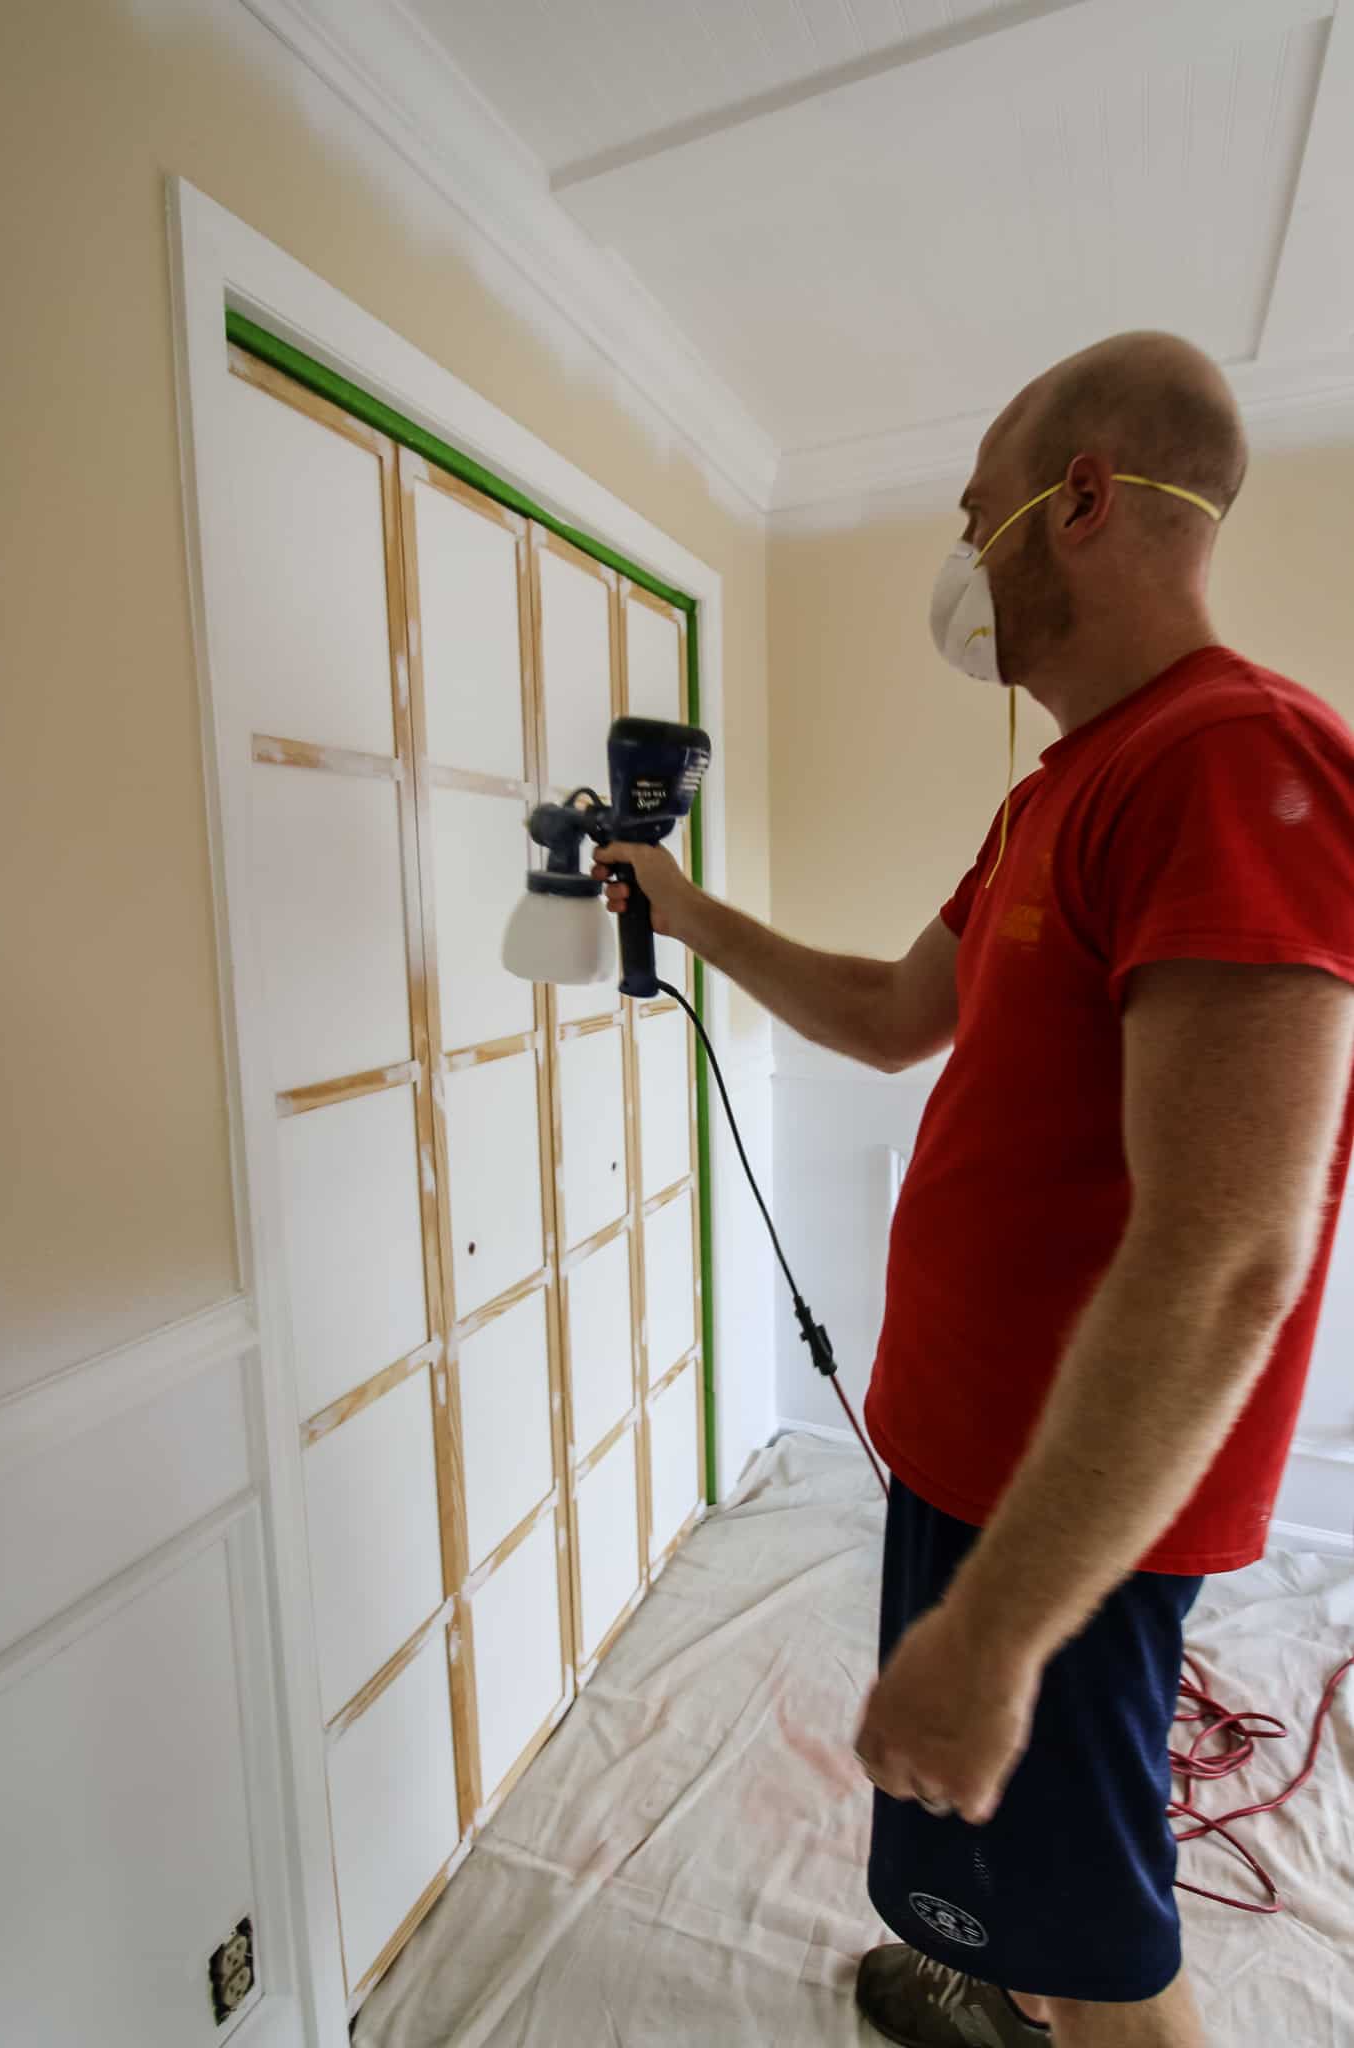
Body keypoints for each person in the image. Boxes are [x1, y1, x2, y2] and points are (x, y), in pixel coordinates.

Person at [594, 330, 1354, 2048]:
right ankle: (1007, 1988)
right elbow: (884, 1017)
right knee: (1015, 1885)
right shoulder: (1054, 795)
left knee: (1108, 1951)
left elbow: (1233, 1248)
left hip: (1061, 1505)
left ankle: (1056, 2004)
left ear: (1081, 500)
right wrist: (685, 908)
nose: (956, 558)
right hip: (967, 1453)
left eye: (972, 511)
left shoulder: (1229, 759)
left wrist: (1003, 1627)